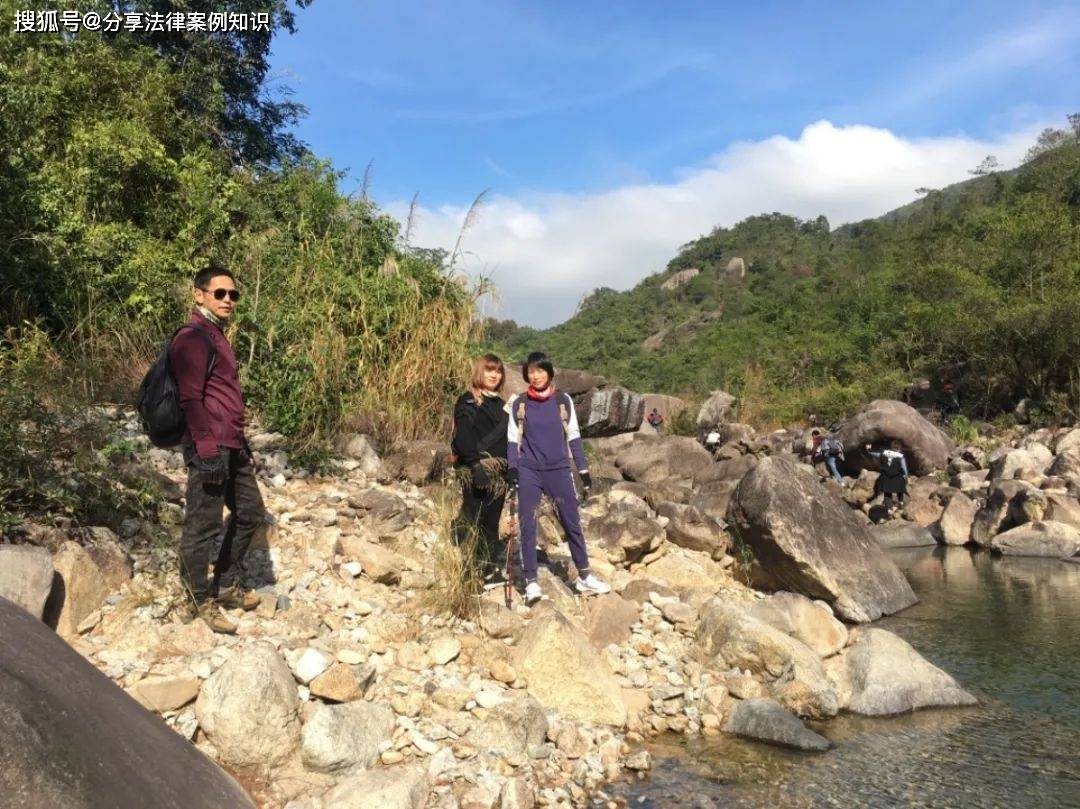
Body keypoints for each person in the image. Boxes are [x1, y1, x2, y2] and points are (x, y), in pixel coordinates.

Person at [169, 265, 264, 634]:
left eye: (233, 295)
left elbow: (223, 396)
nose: (228, 300)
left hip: (232, 445)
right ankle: (196, 599)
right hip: (209, 445)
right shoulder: (192, 337)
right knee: (202, 525)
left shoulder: (216, 336)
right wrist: (206, 449)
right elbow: (190, 398)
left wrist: (243, 443)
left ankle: (225, 584)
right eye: (219, 293)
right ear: (199, 294)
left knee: (251, 513)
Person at [507, 352, 611, 605]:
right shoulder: (519, 403)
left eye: (540, 370)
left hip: (559, 470)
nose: (536, 375)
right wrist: (512, 469)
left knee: (571, 521)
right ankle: (531, 581)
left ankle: (584, 575)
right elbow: (512, 439)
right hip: (529, 469)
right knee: (528, 524)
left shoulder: (563, 401)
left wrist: (583, 470)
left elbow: (573, 435)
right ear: (526, 375)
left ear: (549, 372)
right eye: (531, 371)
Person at [451, 354, 509, 587]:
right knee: (472, 518)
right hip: (475, 470)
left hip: (500, 475)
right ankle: (466, 571)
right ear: (480, 372)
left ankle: (487, 569)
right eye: (489, 370)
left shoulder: (503, 405)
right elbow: (463, 434)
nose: (494, 375)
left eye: (498, 371)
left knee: (491, 522)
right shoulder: (467, 400)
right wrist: (475, 464)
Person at [866, 440, 908, 510]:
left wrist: (868, 449)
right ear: (898, 449)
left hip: (885, 476)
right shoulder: (901, 456)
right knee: (900, 488)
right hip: (897, 476)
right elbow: (904, 468)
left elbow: (873, 454)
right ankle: (901, 502)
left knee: (887, 492)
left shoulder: (883, 453)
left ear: (892, 447)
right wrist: (906, 476)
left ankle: (889, 509)